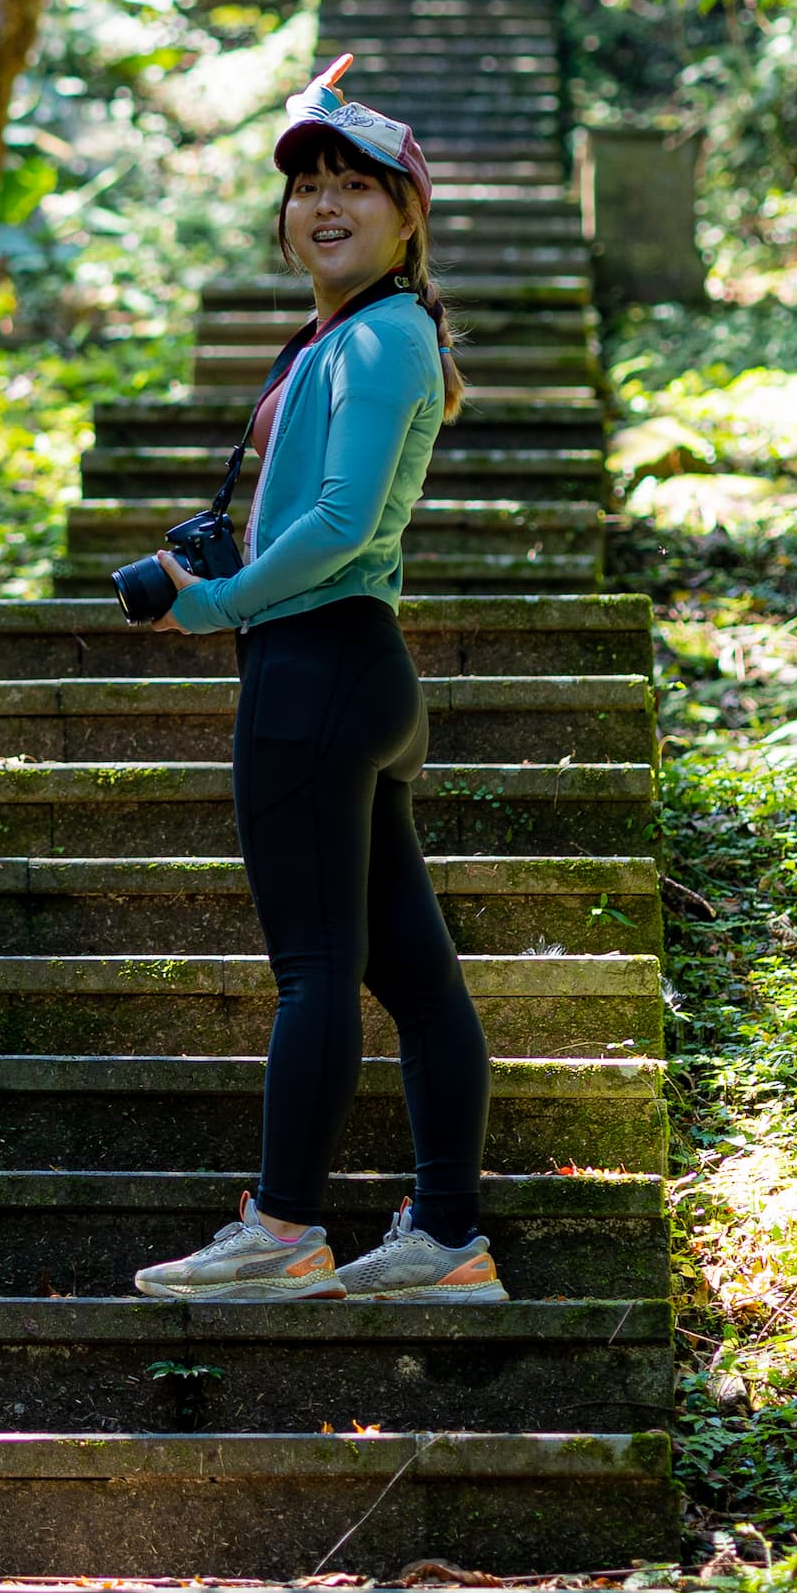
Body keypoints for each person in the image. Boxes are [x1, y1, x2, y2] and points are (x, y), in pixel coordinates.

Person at [130, 74, 501, 1305]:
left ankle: (285, 1229)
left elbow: (340, 521)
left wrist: (219, 603)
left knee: (315, 970)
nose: (326, 205)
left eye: (357, 186)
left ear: (409, 216)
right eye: (308, 187)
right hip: (350, 669)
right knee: (413, 978)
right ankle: (446, 1240)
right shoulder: (356, 335)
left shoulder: (383, 336)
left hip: (317, 668)